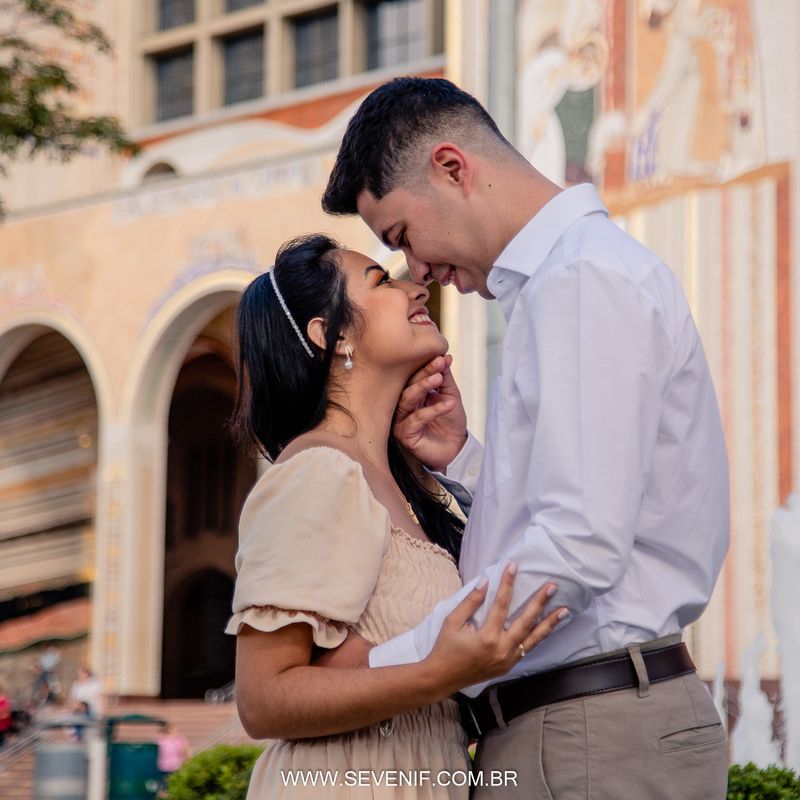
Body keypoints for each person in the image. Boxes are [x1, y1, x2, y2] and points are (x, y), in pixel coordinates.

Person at [321, 77, 730, 798]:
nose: (417, 271)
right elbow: (589, 514)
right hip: (590, 724)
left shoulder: (580, 279)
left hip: (589, 732)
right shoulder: (573, 277)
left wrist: (392, 666)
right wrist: (473, 463)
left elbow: (578, 545)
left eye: (402, 237)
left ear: (452, 168)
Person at [227, 234, 566, 798]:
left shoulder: (413, 486)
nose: (416, 287)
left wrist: (458, 454)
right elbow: (262, 699)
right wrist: (438, 673)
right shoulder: (318, 471)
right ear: (329, 335)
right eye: (381, 281)